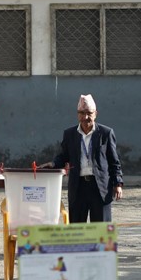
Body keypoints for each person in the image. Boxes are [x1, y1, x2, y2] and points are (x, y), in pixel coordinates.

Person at [43, 94, 123, 223]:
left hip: (100, 187)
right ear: (77, 114)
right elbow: (64, 156)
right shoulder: (70, 134)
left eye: (89, 113)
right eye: (81, 113)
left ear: (95, 114)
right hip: (78, 187)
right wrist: (53, 164)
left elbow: (114, 161)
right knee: (77, 228)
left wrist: (117, 184)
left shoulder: (106, 133)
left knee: (101, 228)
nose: (85, 117)